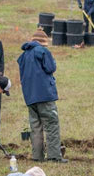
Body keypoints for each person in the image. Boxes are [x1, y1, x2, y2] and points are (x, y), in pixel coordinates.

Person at [17, 28, 67, 163]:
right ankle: (54, 156)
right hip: (45, 95)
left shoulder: (23, 56)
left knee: (36, 127)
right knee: (51, 124)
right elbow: (51, 68)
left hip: (30, 97)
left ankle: (37, 156)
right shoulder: (43, 51)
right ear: (42, 43)